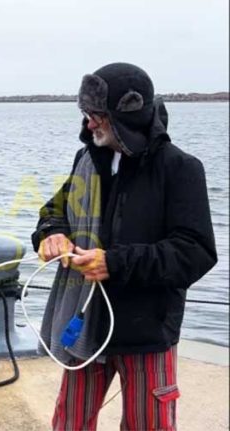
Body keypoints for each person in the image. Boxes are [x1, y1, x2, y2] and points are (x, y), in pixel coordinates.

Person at [32, 62, 217, 431]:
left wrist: (114, 263)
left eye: (97, 115)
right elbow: (53, 211)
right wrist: (52, 233)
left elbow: (195, 251)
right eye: (87, 115)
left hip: (147, 330)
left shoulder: (180, 168)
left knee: (148, 424)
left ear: (125, 115)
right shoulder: (87, 159)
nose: (89, 124)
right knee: (69, 421)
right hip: (87, 321)